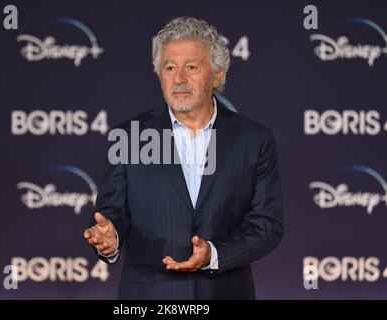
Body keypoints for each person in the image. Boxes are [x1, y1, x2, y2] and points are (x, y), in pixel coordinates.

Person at [84, 16, 283, 299]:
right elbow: (113, 211)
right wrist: (111, 236)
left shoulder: (254, 139)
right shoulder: (129, 136)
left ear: (217, 74)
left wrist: (215, 253)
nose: (178, 79)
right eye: (169, 68)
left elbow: (267, 224)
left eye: (191, 67)